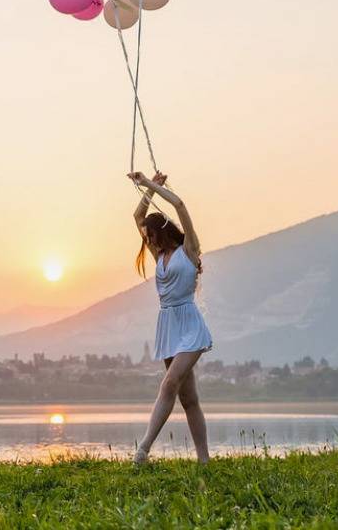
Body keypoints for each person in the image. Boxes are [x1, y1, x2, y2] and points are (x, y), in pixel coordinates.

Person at [128, 170, 212, 464]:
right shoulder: (158, 253)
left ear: (161, 232)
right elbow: (138, 215)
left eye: (150, 235)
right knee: (189, 399)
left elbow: (179, 205)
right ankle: (204, 461)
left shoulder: (189, 250)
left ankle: (143, 449)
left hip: (189, 325)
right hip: (167, 325)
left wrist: (150, 185)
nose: (147, 240)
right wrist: (149, 187)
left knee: (168, 383)